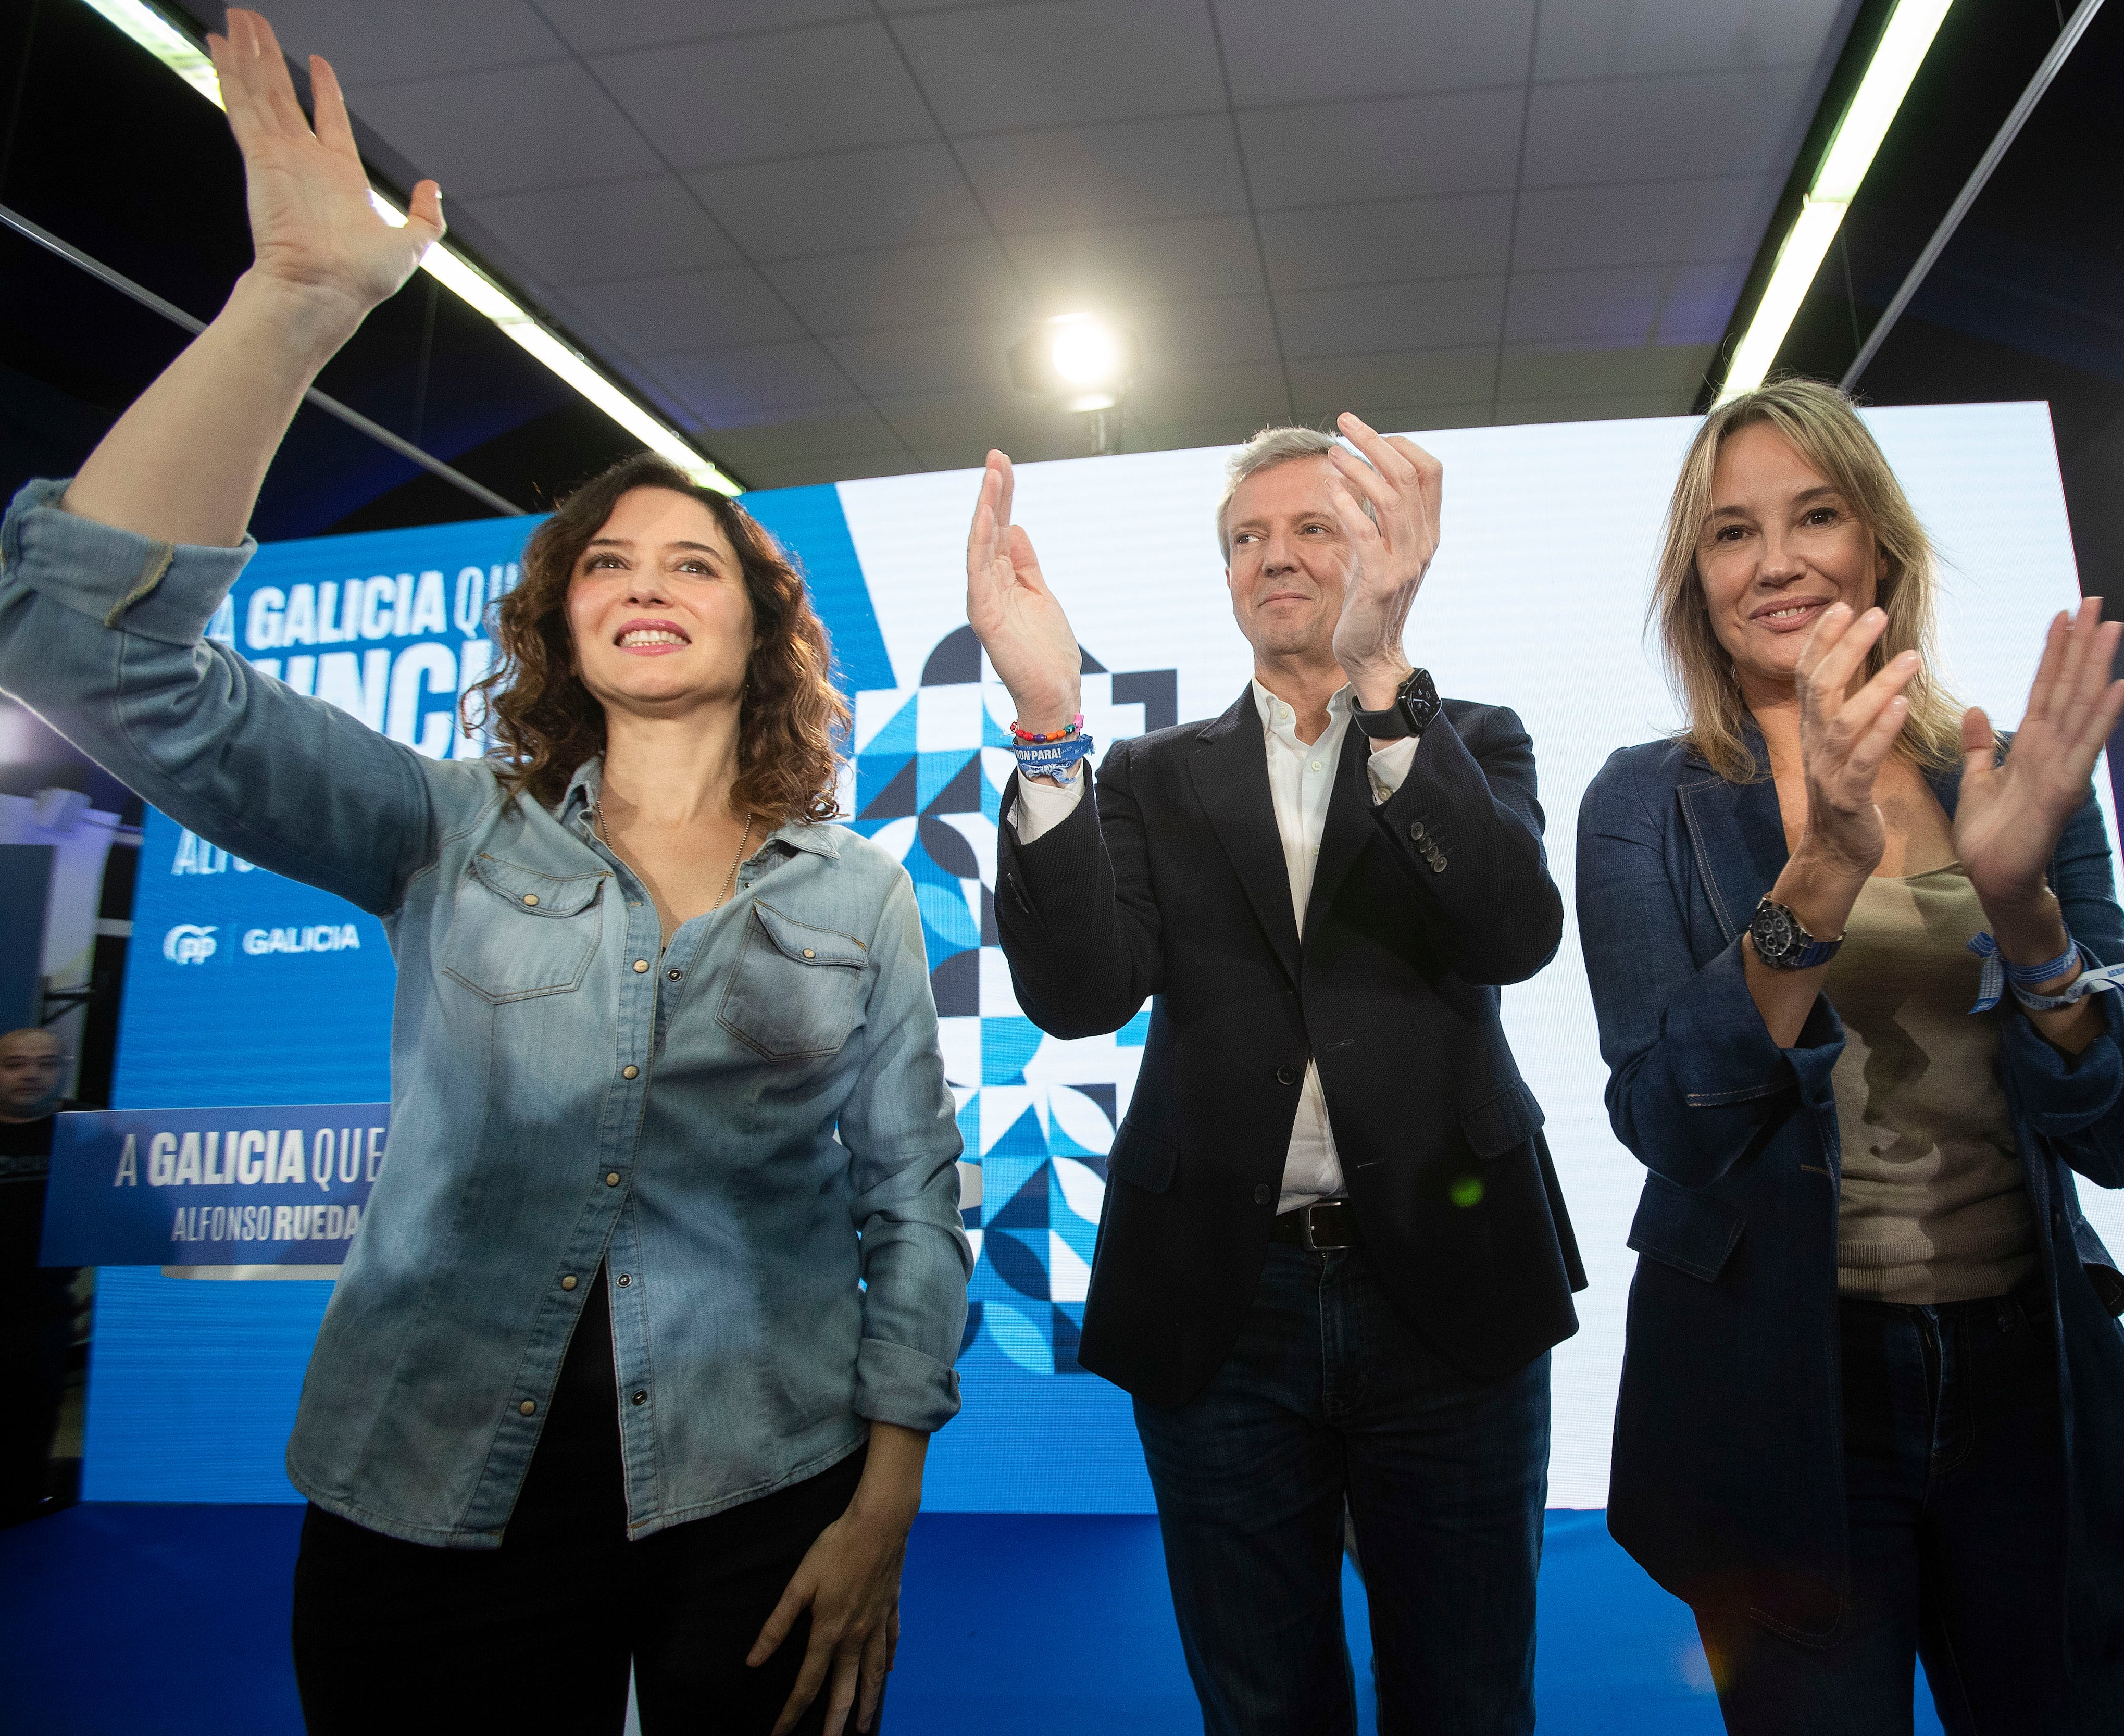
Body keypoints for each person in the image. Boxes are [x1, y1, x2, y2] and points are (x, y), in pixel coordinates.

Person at [0, 14, 966, 1734]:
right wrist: (294, 304)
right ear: (566, 618)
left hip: (769, 1486)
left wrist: (884, 1496)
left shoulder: (857, 895)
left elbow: (909, 1201)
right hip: (428, 1477)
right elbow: (87, 649)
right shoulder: (438, 828)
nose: (650, 578)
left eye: (698, 560)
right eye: (610, 558)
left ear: (757, 628)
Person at [1576, 379, 2124, 1734]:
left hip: (2038, 1392)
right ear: (1699, 577)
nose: (1778, 559)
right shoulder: (1643, 802)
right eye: (1734, 532)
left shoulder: (2005, 773)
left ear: (1880, 551)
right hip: (1784, 1397)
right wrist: (1822, 877)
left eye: (1816, 515)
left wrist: (2025, 909)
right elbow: (1670, 1114)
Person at [966, 420, 1586, 1733]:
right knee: (1259, 1704)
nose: (1275, 556)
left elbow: (1513, 934)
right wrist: (1042, 721)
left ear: (1379, 549)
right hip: (1217, 1303)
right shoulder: (1141, 774)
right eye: (1248, 538)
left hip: (1450, 1287)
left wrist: (1379, 675)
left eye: (1312, 527)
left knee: (1469, 1697)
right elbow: (1077, 997)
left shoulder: (1470, 735)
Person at [0, 1027, 82, 1523]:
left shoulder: (90, 1136)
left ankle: (24, 1505)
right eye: (15, 1063)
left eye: (47, 1063)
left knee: (31, 1420)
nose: (32, 1074)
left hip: (43, 1312)